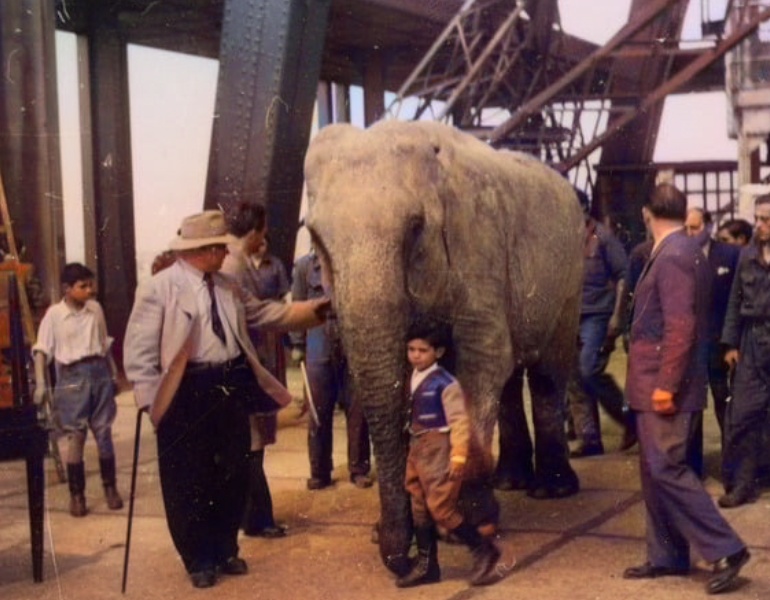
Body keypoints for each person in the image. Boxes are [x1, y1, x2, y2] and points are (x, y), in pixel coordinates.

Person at [124, 210, 328, 589]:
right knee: (188, 478)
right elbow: (139, 351)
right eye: (218, 247)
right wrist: (152, 403)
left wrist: (314, 311)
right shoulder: (159, 288)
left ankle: (224, 549)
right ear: (197, 251)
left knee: (234, 471)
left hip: (229, 383)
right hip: (184, 391)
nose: (224, 253)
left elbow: (264, 313)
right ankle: (198, 558)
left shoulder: (228, 285)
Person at [623, 183, 749, 596]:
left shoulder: (674, 254)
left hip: (664, 382)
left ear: (647, 213)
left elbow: (680, 325)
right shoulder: (686, 249)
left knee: (666, 468)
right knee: (654, 471)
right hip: (658, 380)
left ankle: (727, 548)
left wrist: (666, 386)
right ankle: (667, 555)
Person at [397, 317, 504, 588]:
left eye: (422, 350)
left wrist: (458, 456)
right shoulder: (413, 377)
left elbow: (459, 423)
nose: (415, 355)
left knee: (441, 508)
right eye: (411, 349)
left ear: (439, 352)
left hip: (438, 450)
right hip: (418, 447)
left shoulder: (446, 384)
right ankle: (427, 565)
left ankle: (483, 549)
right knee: (418, 504)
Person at [32, 263, 123, 517]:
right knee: (76, 435)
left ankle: (110, 488)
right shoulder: (54, 315)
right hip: (72, 378)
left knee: (103, 432)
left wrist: (113, 374)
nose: (89, 290)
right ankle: (77, 495)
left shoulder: (96, 309)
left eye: (90, 285)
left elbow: (104, 345)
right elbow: (41, 351)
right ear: (67, 288)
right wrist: (41, 384)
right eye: (83, 286)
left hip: (99, 373)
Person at [221, 201, 288, 538]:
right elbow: (251, 315)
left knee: (253, 442)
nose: (264, 237)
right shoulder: (234, 264)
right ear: (253, 232)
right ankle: (257, 519)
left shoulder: (236, 260)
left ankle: (254, 516)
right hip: (245, 364)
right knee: (252, 444)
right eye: (263, 230)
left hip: (248, 361)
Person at [290, 247, 372, 490]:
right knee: (318, 409)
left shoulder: (357, 262)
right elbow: (297, 306)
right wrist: (297, 343)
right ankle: (319, 472)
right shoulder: (304, 267)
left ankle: (358, 469)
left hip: (353, 336)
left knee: (358, 408)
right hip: (318, 337)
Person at [568, 188, 634, 457]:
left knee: (588, 370)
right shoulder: (562, 238)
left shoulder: (603, 238)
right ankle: (590, 439)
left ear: (584, 208)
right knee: (574, 377)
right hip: (570, 315)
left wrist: (617, 317)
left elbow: (623, 276)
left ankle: (631, 419)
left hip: (597, 314)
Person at [719, 194, 770, 509]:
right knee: (743, 416)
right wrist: (730, 344)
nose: (759, 225)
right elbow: (734, 303)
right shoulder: (747, 255)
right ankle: (742, 484)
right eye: (758, 218)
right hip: (752, 341)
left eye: (766, 220)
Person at [684, 208, 739, 457]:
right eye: (686, 228)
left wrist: (731, 341)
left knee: (723, 400)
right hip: (692, 344)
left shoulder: (730, 255)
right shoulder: (680, 256)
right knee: (692, 405)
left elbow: (736, 300)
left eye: (695, 228)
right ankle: (693, 465)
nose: (690, 233)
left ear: (708, 226)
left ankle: (731, 462)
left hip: (719, 342)